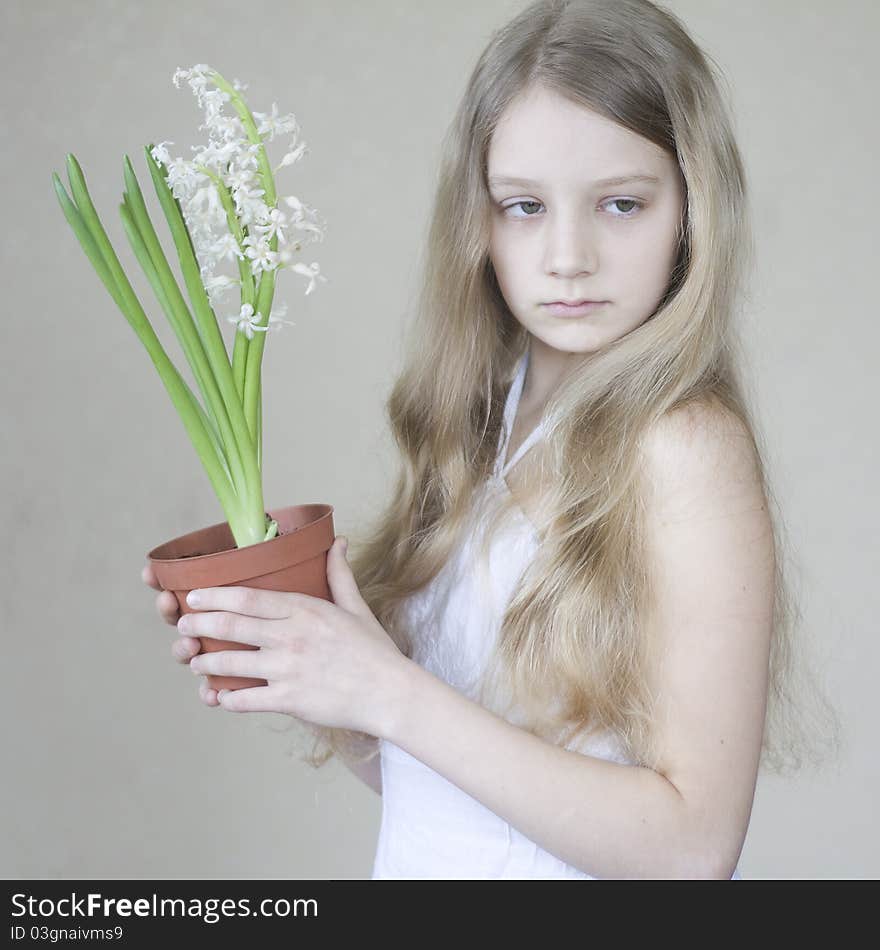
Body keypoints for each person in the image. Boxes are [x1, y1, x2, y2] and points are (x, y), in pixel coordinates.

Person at [143, 0, 840, 879]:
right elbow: (454, 793)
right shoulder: (484, 419)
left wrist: (387, 692)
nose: (567, 255)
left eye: (621, 204)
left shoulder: (683, 446)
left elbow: (692, 849)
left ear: (694, 213)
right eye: (523, 206)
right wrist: (313, 663)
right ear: (477, 218)